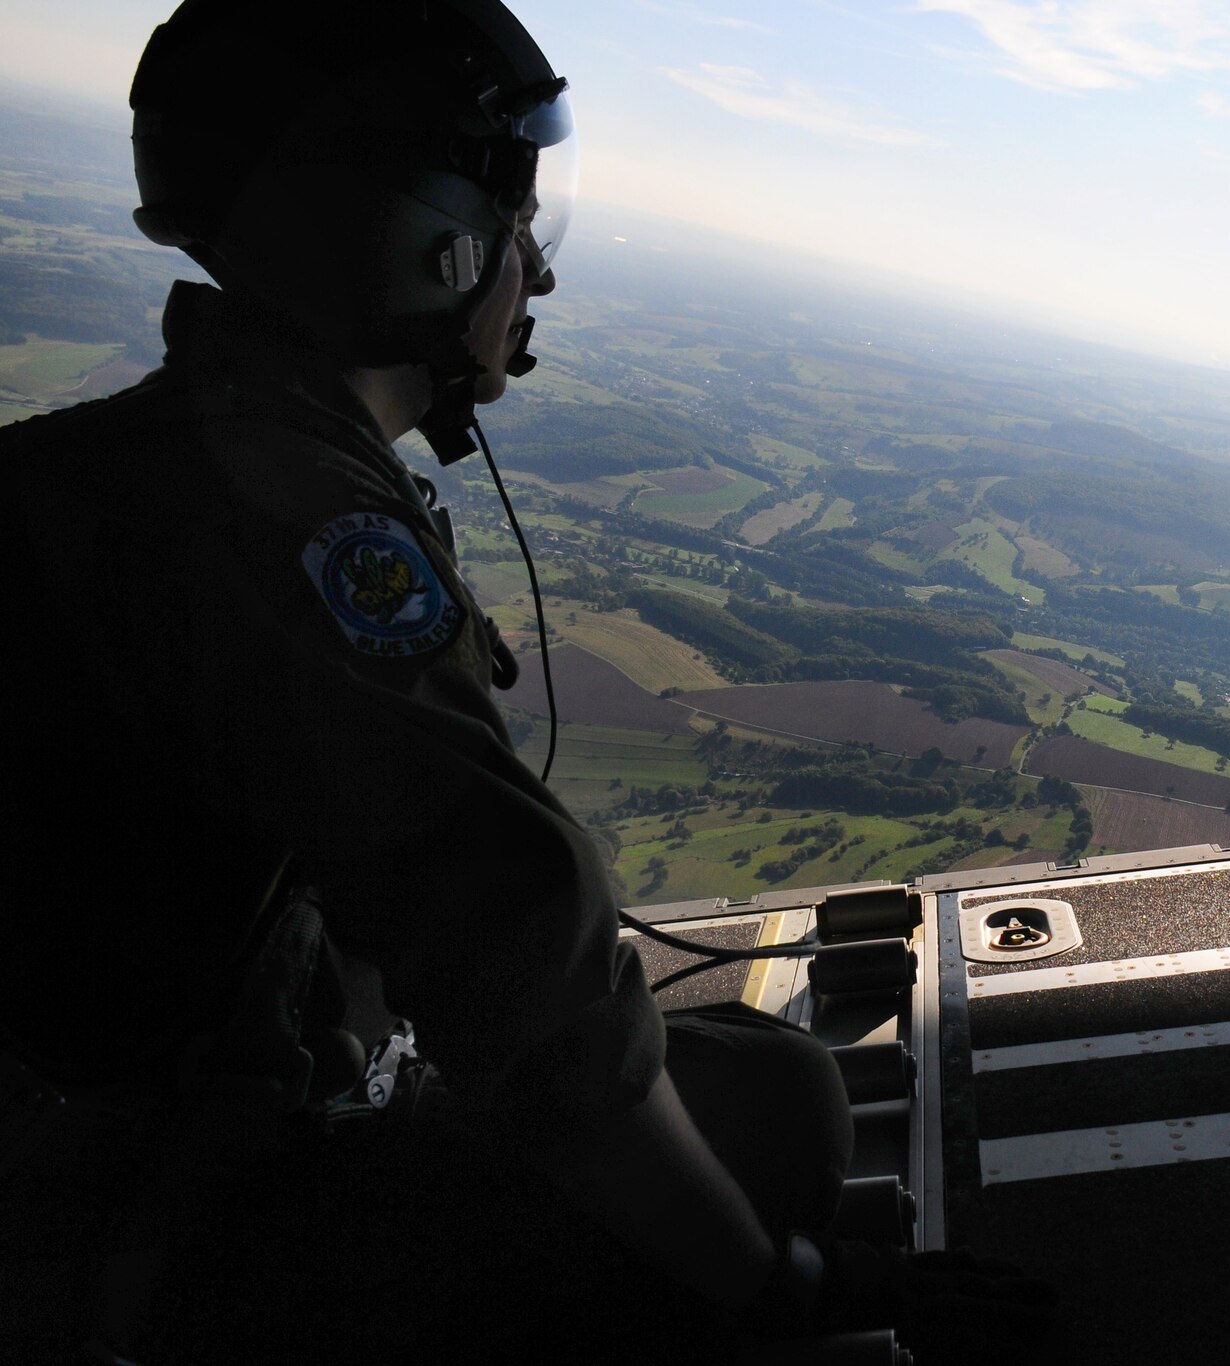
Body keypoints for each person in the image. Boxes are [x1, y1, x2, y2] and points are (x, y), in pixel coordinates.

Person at [0, 2, 885, 1360]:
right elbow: (529, 981)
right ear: (423, 233)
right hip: (145, 1223)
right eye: (513, 213)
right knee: (779, 1111)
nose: (532, 267)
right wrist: (786, 1297)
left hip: (99, 1151)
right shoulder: (301, 525)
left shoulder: (130, 461)